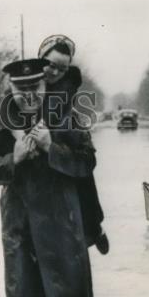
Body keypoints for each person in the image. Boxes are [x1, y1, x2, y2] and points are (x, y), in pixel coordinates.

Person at [0, 58, 97, 297]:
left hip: (61, 226)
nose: (28, 95)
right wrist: (12, 159)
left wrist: (51, 147)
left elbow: (87, 162)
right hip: (21, 227)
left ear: (45, 86)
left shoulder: (66, 116)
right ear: (9, 88)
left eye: (35, 87)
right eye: (20, 88)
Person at [38, 34, 109, 255]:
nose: (55, 72)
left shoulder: (70, 110)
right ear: (40, 58)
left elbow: (88, 161)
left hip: (64, 196)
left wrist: (51, 147)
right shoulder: (22, 88)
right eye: (50, 65)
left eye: (62, 69)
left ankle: (93, 228)